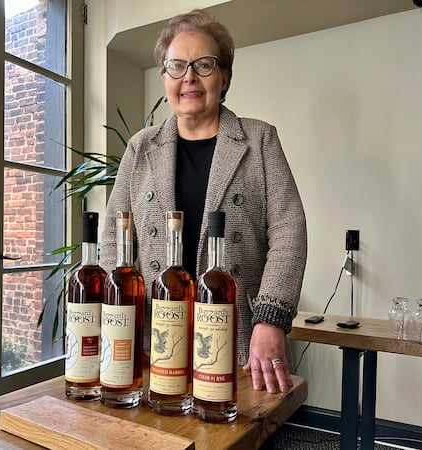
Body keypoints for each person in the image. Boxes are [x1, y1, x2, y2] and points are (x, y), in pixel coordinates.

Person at [99, 9, 307, 394]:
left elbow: (288, 230)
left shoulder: (260, 140)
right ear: (165, 78)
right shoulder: (140, 147)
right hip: (152, 336)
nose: (189, 77)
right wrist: (117, 316)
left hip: (242, 334)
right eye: (176, 66)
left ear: (224, 76)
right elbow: (115, 234)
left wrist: (271, 320)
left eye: (203, 65)